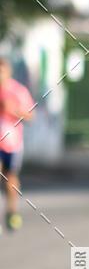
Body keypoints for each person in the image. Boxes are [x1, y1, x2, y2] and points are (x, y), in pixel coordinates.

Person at [0, 58, 35, 231]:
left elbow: (30, 115)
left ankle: (12, 211)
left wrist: (12, 109)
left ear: (8, 72)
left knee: (10, 178)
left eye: (2, 71)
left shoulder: (18, 91)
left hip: (12, 144)